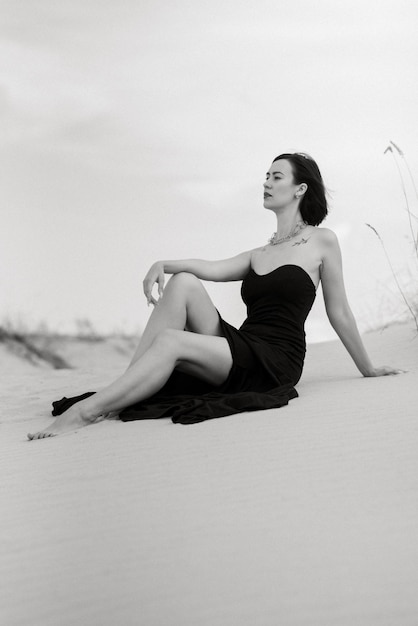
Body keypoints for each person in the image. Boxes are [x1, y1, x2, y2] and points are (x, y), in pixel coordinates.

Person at [28, 152, 402, 440]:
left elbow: (339, 312)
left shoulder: (322, 241)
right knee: (185, 281)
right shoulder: (261, 252)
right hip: (243, 344)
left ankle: (88, 412)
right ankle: (124, 392)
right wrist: (164, 262)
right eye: (266, 177)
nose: (267, 183)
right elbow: (209, 267)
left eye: (276, 177)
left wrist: (368, 368)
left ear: (300, 189)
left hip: (274, 360)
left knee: (173, 340)